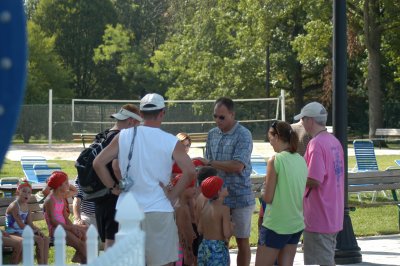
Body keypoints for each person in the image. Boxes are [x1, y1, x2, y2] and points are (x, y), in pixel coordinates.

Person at [94, 93, 196, 266]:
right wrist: (173, 197)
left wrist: (113, 188)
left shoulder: (123, 136)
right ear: (162, 112)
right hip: (158, 208)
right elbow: (190, 172)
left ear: (140, 114)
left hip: (129, 210)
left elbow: (98, 163)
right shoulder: (170, 141)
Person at [197, 97, 255, 266]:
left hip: (239, 196)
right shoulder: (212, 134)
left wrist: (209, 163)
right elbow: (208, 168)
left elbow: (238, 165)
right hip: (216, 198)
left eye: (221, 117)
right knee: (219, 241)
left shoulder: (244, 134)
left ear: (232, 114)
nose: (217, 120)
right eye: (215, 116)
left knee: (242, 241)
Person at [294, 102, 345, 265]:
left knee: (319, 262)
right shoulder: (334, 141)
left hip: (318, 216)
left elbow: (315, 180)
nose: (301, 123)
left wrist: (294, 180)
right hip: (333, 214)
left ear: (310, 120)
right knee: (327, 258)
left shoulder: (316, 144)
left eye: (302, 119)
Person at [255, 121, 308, 266]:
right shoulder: (301, 160)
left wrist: (262, 191)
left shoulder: (275, 160)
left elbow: (268, 198)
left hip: (276, 224)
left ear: (277, 137)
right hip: (296, 223)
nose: (269, 142)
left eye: (270, 138)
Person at [94, 103, 142, 250]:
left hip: (99, 195)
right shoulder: (121, 138)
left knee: (109, 242)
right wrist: (117, 187)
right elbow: (115, 166)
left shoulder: (104, 135)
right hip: (113, 197)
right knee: (113, 244)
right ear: (131, 121)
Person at [43, 171, 87, 264]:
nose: (69, 185)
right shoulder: (50, 200)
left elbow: (65, 218)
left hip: (65, 227)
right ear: (59, 185)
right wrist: (71, 228)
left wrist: (74, 228)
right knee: (82, 245)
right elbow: (53, 221)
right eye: (66, 183)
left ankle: (78, 257)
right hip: (56, 230)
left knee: (86, 230)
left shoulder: (62, 197)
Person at [5, 180, 50, 264]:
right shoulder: (14, 206)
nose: (27, 194)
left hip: (23, 231)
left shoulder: (27, 207)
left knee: (46, 239)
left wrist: (38, 230)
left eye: (29, 192)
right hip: (12, 232)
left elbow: (30, 224)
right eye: (24, 191)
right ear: (18, 192)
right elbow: (21, 225)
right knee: (39, 240)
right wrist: (33, 232)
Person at [197, 176, 233, 266]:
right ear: (219, 191)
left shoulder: (205, 206)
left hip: (204, 246)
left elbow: (200, 229)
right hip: (217, 248)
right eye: (224, 186)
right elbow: (227, 233)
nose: (227, 187)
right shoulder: (224, 209)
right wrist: (231, 226)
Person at [172, 174, 197, 266]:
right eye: (191, 187)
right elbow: (180, 231)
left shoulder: (183, 205)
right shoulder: (181, 208)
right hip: (182, 247)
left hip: (184, 245)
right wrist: (188, 249)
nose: (194, 189)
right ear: (182, 189)